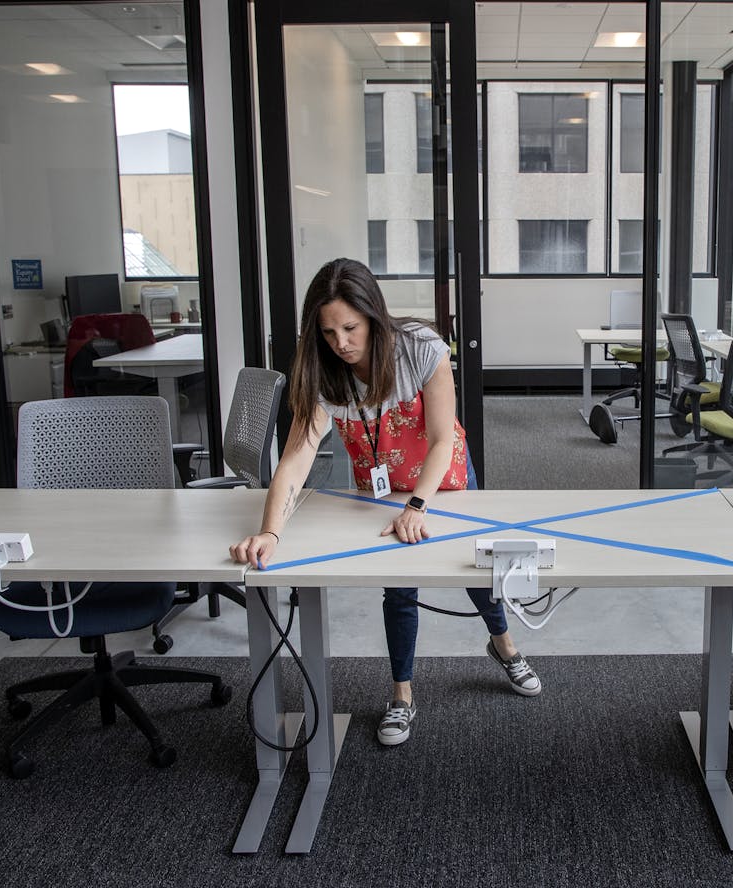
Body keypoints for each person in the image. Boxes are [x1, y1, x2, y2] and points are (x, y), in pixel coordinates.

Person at [230, 258, 541, 747]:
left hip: (444, 480)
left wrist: (417, 505)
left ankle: (504, 645)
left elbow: (441, 438)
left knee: (479, 570)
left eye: (351, 328)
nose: (342, 343)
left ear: (374, 315)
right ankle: (402, 695)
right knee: (398, 589)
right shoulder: (323, 369)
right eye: (329, 332)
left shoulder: (421, 349)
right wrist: (271, 531)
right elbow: (294, 459)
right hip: (381, 491)